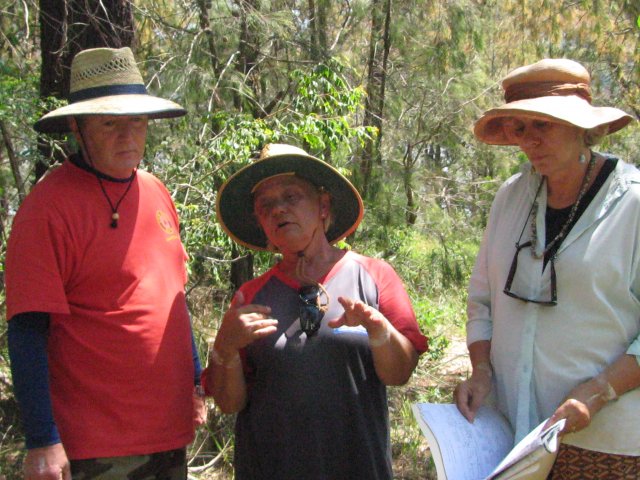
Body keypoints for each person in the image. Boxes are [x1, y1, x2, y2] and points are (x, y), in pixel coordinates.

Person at [5, 47, 206, 479]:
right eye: (110, 123)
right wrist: (42, 438)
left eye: (136, 122)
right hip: (95, 447)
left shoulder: (156, 191)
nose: (127, 136)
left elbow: (174, 299)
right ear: (77, 128)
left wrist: (194, 384)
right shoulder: (48, 209)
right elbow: (26, 329)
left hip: (168, 435)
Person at [454, 58, 639, 478]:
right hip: (516, 436)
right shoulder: (511, 197)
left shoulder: (632, 205)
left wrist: (598, 391)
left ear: (581, 127)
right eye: (520, 128)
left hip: (605, 444)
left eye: (544, 125)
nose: (530, 141)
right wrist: (481, 372)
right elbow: (482, 300)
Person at [204, 143, 428, 479]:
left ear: (323, 206)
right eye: (265, 206)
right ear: (261, 223)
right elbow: (229, 403)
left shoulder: (374, 276)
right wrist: (225, 348)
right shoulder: (250, 297)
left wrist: (379, 331)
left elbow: (399, 374)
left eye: (291, 197)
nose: (278, 210)